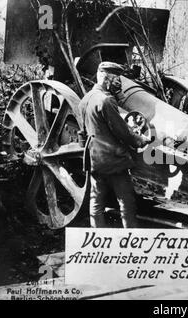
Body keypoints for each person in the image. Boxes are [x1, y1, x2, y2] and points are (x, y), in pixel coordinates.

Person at [79, 62, 151, 228]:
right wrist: (140, 140)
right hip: (113, 160)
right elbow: (122, 131)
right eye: (116, 79)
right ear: (107, 79)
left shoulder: (85, 100)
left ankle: (98, 238)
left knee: (96, 202)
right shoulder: (106, 100)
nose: (119, 83)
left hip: (95, 159)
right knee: (126, 202)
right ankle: (131, 239)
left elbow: (83, 131)